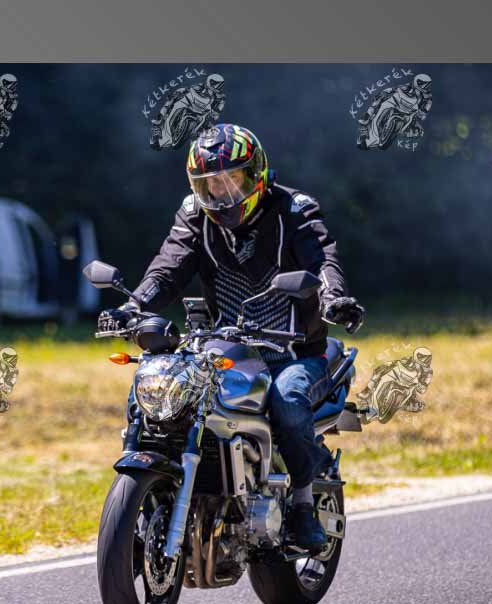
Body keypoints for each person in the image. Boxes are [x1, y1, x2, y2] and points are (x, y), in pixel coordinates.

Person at [98, 124, 364, 552]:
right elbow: (168, 268)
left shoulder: (293, 209)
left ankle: (301, 505)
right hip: (225, 346)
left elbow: (322, 259)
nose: (221, 193)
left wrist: (334, 298)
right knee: (160, 386)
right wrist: (134, 306)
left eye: (231, 179)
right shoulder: (194, 215)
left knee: (287, 401)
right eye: (210, 183)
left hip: (293, 350)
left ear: (256, 173)